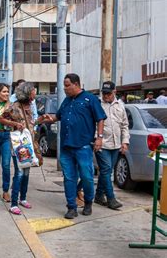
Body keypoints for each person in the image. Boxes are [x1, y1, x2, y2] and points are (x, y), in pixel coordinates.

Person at [40, 73, 106, 219]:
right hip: (66, 147)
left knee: (87, 176)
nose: (65, 88)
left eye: (67, 85)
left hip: (83, 146)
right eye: (64, 85)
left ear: (76, 84)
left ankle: (88, 202)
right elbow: (59, 116)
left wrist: (99, 138)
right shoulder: (66, 101)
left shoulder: (90, 99)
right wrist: (49, 118)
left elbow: (100, 119)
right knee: (69, 178)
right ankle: (71, 207)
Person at [0, 82, 43, 215]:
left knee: (27, 172)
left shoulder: (30, 106)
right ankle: (13, 203)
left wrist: (41, 120)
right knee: (19, 172)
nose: (35, 93)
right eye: (34, 91)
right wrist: (15, 124)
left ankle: (23, 198)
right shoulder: (15, 106)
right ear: (28, 93)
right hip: (18, 145)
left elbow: (31, 123)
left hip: (29, 143)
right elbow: (0, 119)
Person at [94, 81, 129, 209]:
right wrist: (96, 139)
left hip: (116, 145)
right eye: (104, 93)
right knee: (106, 170)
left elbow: (124, 125)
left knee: (107, 171)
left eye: (109, 93)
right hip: (102, 144)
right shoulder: (97, 104)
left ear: (114, 92)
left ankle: (98, 195)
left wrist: (125, 141)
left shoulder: (120, 106)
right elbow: (94, 124)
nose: (106, 96)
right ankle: (111, 198)